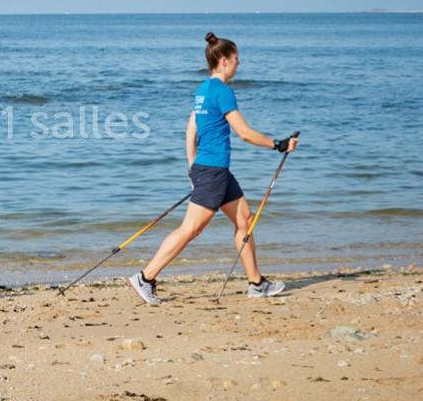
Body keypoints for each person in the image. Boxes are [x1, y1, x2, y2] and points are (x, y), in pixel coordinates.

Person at [127, 32, 298, 305]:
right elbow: (243, 133)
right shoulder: (222, 92)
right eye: (235, 59)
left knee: (245, 220)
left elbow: (190, 130)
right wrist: (278, 144)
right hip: (213, 172)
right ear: (223, 60)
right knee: (190, 229)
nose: (238, 64)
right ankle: (145, 278)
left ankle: (256, 283)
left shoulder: (202, 90)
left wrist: (192, 166)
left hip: (212, 171)